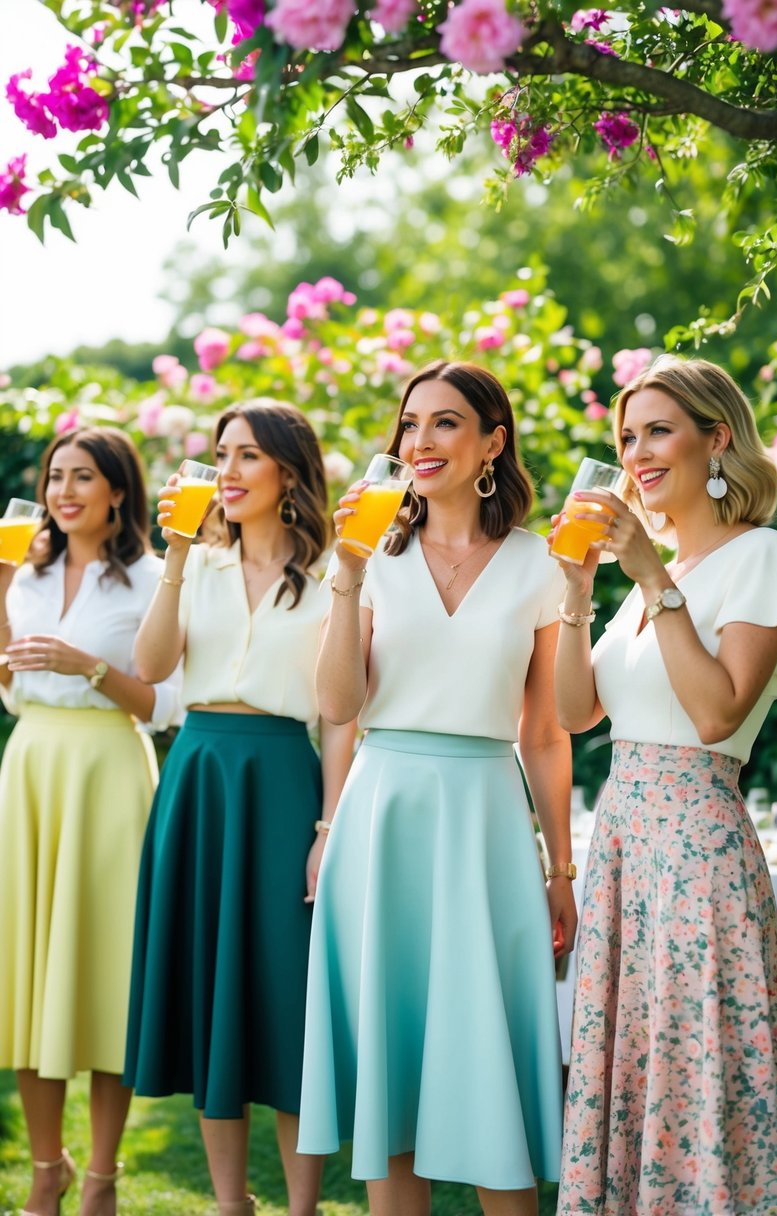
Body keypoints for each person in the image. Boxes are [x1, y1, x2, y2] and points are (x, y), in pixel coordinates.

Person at [552, 354, 777, 1215]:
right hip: (624, 849)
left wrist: (649, 577)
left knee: (693, 1071)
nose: (636, 453)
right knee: (629, 1067)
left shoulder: (761, 558)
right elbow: (573, 713)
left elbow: (714, 715)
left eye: (657, 431)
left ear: (715, 439)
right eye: (626, 436)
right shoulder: (642, 580)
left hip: (696, 852)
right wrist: (574, 592)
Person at [299, 360, 576, 1216]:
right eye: (410, 423)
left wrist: (560, 869)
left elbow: (545, 730)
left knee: (489, 1057)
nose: (420, 441)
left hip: (486, 819)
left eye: (445, 422)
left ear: (492, 443)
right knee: (394, 1075)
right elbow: (339, 707)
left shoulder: (540, 565)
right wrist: (344, 574)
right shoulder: (372, 560)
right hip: (381, 818)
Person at [123, 399, 356, 1216]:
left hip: (284, 779)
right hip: (198, 776)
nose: (224, 471)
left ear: (288, 471)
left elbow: (340, 717)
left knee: (286, 1000)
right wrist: (176, 559)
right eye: (219, 454)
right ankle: (231, 1204)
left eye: (245, 456)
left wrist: (328, 827)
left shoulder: (337, 574)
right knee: (207, 990)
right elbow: (151, 670)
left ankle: (299, 1208)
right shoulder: (195, 565)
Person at [0, 427, 180, 1216]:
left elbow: (166, 704)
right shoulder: (24, 576)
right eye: (55, 478)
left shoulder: (149, 580)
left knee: (108, 975)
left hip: (109, 769)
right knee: (28, 978)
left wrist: (92, 669)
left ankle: (102, 1176)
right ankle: (49, 1167)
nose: (64, 491)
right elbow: (11, 685)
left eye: (83, 478)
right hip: (32, 765)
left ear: (117, 491)